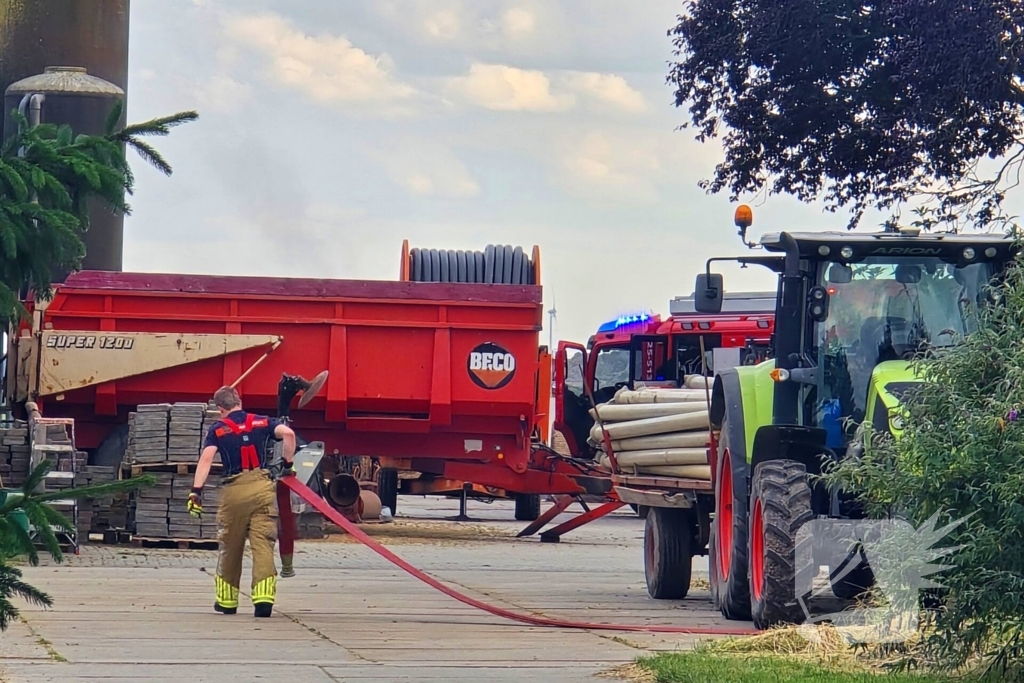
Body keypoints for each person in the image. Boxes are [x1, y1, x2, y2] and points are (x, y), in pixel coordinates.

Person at [188, 386, 296, 618]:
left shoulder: (218, 429)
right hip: (262, 489)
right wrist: (287, 464)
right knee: (263, 543)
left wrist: (196, 491)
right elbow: (288, 434)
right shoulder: (262, 421)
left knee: (231, 546)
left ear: (220, 409)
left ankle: (227, 602)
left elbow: (206, 459)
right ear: (239, 401)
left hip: (234, 492)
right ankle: (264, 600)